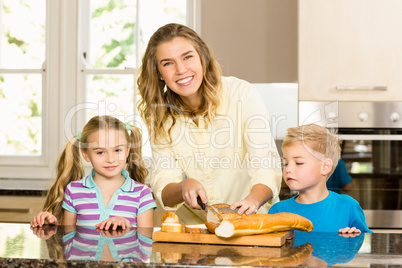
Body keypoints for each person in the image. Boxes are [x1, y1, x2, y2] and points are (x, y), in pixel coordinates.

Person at [136, 23, 282, 224]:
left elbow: (265, 165)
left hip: (252, 221)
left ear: (202, 57)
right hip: (197, 228)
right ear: (159, 73)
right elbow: (163, 182)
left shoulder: (242, 94)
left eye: (187, 57)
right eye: (168, 63)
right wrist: (183, 187)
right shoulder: (160, 116)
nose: (181, 69)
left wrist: (251, 202)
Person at [30, 115, 156, 229]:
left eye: (117, 150)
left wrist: (127, 227)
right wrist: (50, 228)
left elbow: (145, 247)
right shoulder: (74, 191)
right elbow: (68, 241)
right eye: (100, 152)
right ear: (86, 154)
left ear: (127, 151)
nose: (111, 159)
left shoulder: (142, 194)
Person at [268, 123, 371, 233]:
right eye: (285, 164)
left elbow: (365, 245)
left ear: (325, 167)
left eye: (299, 163)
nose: (288, 169)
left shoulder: (348, 207)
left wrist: (354, 238)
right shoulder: (278, 210)